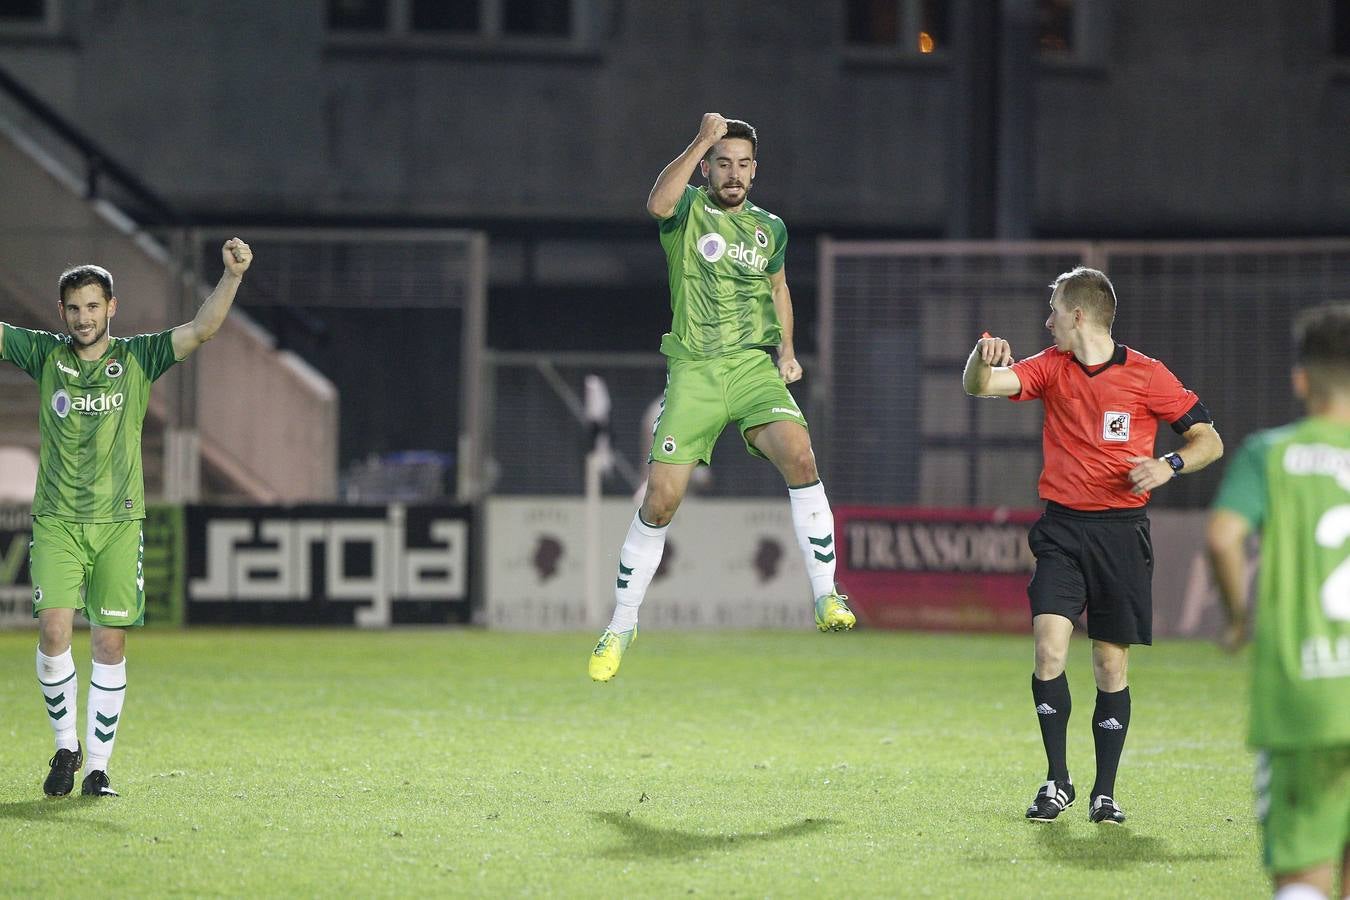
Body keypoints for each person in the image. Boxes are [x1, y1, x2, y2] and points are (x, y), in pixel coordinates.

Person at [588, 113, 855, 682]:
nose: (733, 174)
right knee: (661, 498)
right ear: (708, 167)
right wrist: (701, 139)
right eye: (723, 163)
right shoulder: (687, 210)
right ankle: (622, 623)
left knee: (802, 457)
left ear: (755, 172)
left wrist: (787, 349)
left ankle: (827, 595)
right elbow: (657, 203)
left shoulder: (771, 228)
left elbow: (778, 288)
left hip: (753, 367)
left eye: (743, 165)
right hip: (696, 370)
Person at [963, 266, 1223, 824]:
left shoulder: (1148, 376)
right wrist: (979, 358)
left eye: (1053, 309)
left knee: (1109, 665)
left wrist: (1168, 464)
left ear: (1078, 314)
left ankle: (1105, 793)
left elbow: (1209, 440)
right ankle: (1057, 781)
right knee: (1049, 650)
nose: (1046, 319)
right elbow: (982, 386)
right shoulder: (1050, 368)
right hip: (1061, 531)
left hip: (1122, 534)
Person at [1, 238, 253, 797]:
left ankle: (99, 768)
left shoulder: (138, 357)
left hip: (119, 522)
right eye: (74, 308)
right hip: (58, 521)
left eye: (93, 306)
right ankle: (66, 746)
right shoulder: (45, 354)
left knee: (110, 643)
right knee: (53, 630)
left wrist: (232, 277)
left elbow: (201, 329)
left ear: (110, 307)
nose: (83, 317)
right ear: (61, 311)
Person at [1207, 303, 1350, 899]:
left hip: (1306, 695)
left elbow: (1222, 537)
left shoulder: (1270, 453)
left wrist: (1241, 619)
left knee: (1303, 877)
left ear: (1300, 380)